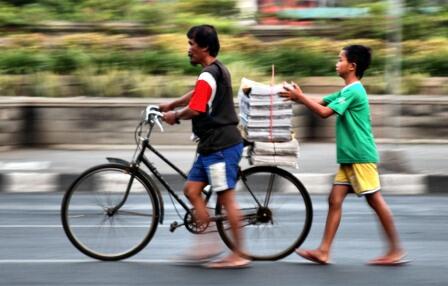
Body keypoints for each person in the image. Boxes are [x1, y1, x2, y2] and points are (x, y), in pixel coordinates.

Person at [280, 45, 407, 265]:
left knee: (375, 200)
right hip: (350, 157)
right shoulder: (346, 90)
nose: (336, 63)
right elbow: (320, 102)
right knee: (335, 199)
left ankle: (396, 250)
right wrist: (295, 96)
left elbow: (323, 113)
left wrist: (300, 98)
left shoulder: (353, 91)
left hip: (360, 156)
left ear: (352, 66)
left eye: (340, 59)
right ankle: (323, 251)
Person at [159, 24, 250, 269]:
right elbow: (199, 93)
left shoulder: (209, 73)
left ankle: (239, 254)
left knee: (226, 198)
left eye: (191, 44)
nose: (188, 49)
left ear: (205, 47)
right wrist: (174, 103)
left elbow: (197, 108)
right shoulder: (215, 70)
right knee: (191, 190)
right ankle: (207, 246)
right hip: (210, 145)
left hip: (221, 146)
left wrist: (175, 115)